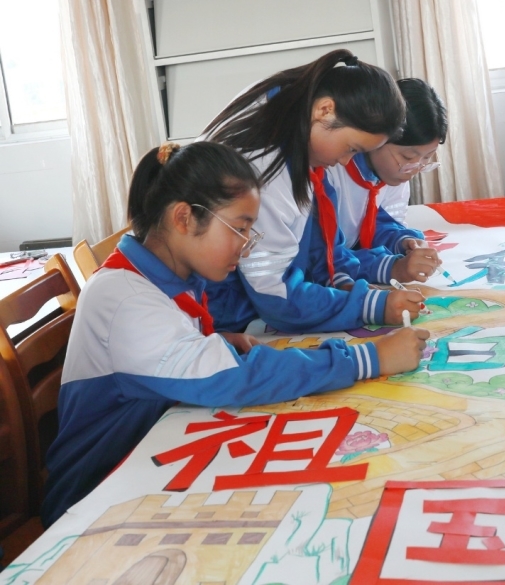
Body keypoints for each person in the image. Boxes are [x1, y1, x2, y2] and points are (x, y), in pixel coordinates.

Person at [41, 142, 429, 528]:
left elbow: (161, 359)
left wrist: (212, 343)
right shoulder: (126, 298)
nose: (246, 247)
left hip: (154, 460)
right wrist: (367, 358)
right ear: (184, 218)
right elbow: (235, 376)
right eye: (239, 229)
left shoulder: (165, 274)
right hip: (95, 497)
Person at [202, 49, 425, 333]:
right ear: (325, 110)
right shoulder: (264, 169)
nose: (345, 161)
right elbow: (275, 294)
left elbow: (321, 239)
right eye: (351, 148)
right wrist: (369, 306)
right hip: (222, 315)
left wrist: (342, 282)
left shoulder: (293, 120)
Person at [327, 78, 447, 284]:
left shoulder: (394, 173)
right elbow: (323, 256)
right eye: (408, 156)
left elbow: (380, 222)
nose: (415, 168)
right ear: (376, 138)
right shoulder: (332, 169)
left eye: (427, 157)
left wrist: (403, 242)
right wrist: (392, 268)